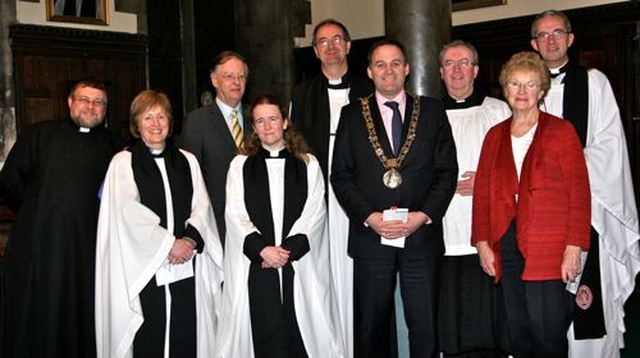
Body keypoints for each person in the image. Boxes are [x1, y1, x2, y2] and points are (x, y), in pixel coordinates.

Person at [331, 39, 458, 358]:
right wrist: (370, 218)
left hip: (421, 236)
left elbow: (446, 171)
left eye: (396, 63)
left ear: (407, 68)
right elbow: (341, 176)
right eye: (381, 64)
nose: (389, 70)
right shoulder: (351, 115)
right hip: (371, 238)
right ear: (370, 71)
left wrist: (423, 216)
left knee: (425, 325)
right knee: (372, 327)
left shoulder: (432, 110)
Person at [530, 10, 640, 357]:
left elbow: (610, 146)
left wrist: (564, 168)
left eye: (557, 32)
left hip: (587, 205)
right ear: (534, 44)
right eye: (543, 35)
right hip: (542, 213)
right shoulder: (525, 87)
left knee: (588, 301)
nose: (551, 40)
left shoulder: (594, 82)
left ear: (570, 38)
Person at [472, 51, 591, 358]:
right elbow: (483, 194)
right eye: (514, 84)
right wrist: (483, 243)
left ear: (541, 90)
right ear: (505, 88)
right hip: (507, 243)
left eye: (530, 84)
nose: (522, 92)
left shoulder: (562, 132)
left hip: (550, 246)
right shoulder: (494, 136)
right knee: (519, 328)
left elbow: (579, 194)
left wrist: (574, 248)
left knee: (548, 332)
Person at [95, 90, 223, 357]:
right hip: (145, 267)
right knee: (150, 333)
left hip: (187, 262)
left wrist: (188, 240)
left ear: (170, 122)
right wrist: (167, 244)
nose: (155, 124)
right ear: (136, 124)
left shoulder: (188, 160)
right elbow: (127, 212)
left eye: (161, 116)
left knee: (187, 330)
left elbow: (202, 205)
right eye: (147, 117)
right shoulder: (123, 163)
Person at [0, 79, 122, 357]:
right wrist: (38, 208)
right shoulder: (39, 135)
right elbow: (10, 179)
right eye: (84, 99)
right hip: (41, 243)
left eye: (99, 102)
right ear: (70, 102)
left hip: (89, 247)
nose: (91, 107)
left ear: (105, 108)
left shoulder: (116, 146)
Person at [217, 94, 343, 357]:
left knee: (299, 330)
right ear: (253, 128)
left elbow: (315, 213)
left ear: (285, 122)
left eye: (273, 119)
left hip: (296, 262)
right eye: (260, 121)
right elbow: (235, 213)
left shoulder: (308, 164)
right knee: (263, 328)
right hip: (258, 262)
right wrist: (262, 250)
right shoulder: (240, 165)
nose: (267, 126)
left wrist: (285, 251)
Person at [289, 18, 373, 357]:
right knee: (324, 274)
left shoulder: (367, 92)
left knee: (357, 276)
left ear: (349, 46)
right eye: (323, 41)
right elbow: (295, 149)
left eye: (337, 39)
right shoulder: (301, 94)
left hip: (360, 200)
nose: (331, 46)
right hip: (319, 199)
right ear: (315, 51)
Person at [437, 40, 511, 358]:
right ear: (440, 72)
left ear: (476, 70)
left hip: (488, 227)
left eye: (464, 63)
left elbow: (516, 165)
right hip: (443, 228)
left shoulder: (499, 110)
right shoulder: (427, 114)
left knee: (490, 318)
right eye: (450, 64)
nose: (457, 70)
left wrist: (483, 182)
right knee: (450, 319)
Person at [182, 50, 251, 243]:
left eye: (241, 76)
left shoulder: (258, 118)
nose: (236, 82)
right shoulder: (197, 122)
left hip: (257, 222)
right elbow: (190, 178)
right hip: (217, 224)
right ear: (214, 80)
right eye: (229, 76)